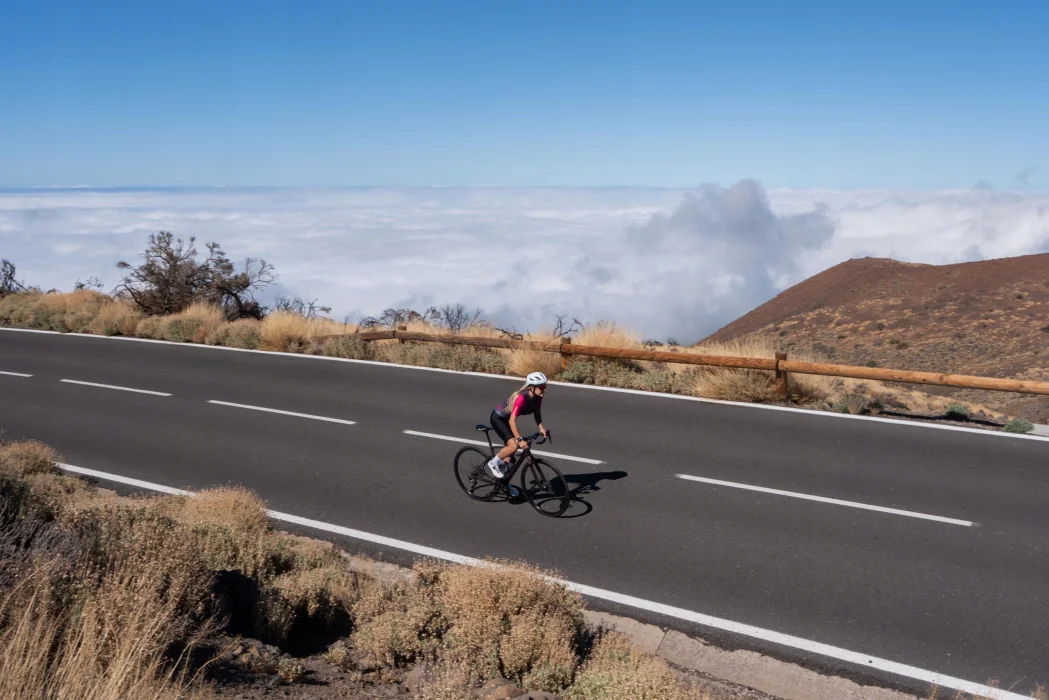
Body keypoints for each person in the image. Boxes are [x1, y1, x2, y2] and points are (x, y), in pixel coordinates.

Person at [487, 372, 550, 482]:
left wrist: (541, 427)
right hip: (499, 419)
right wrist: (520, 440)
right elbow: (512, 421)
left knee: (510, 459)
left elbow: (537, 413)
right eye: (541, 387)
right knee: (514, 445)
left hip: (507, 420)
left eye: (545, 386)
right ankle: (493, 463)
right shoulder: (521, 398)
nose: (544, 389)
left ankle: (502, 483)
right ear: (531, 388)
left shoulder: (538, 397)